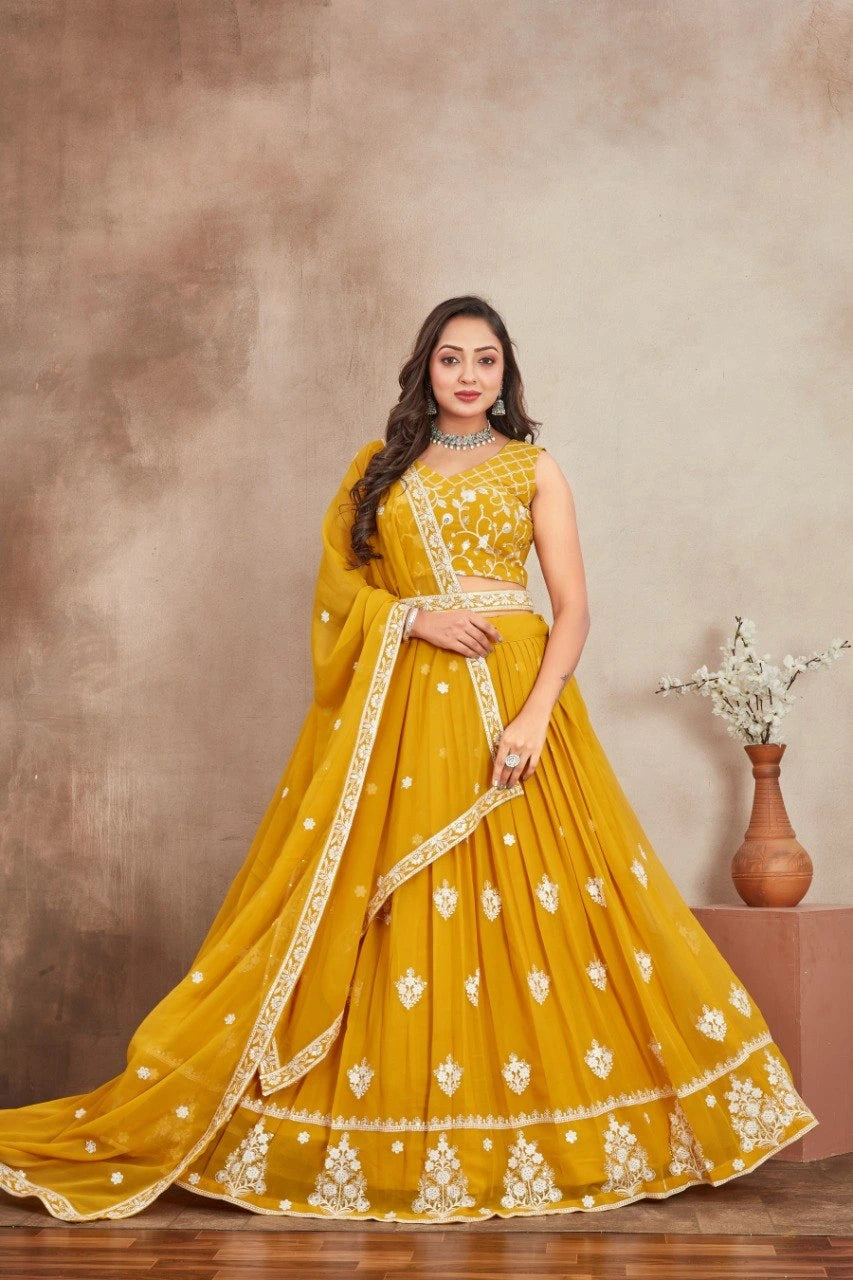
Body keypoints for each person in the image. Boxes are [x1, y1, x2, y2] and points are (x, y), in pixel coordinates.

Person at [0, 295, 817, 1224]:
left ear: (506, 374)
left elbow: (574, 607)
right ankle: (381, 1134)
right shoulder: (377, 470)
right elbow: (337, 589)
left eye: (486, 360)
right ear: (423, 369)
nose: (468, 375)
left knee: (550, 907)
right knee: (386, 902)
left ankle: (555, 1129)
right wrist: (411, 617)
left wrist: (534, 717)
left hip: (512, 693)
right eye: (450, 359)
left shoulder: (534, 468)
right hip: (400, 714)